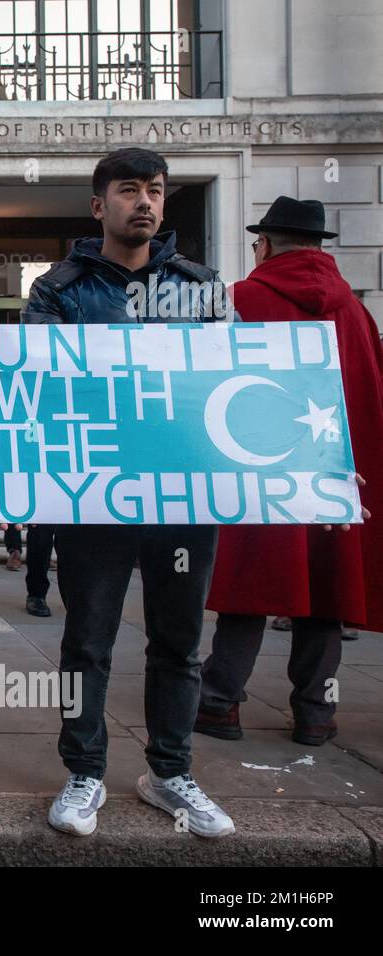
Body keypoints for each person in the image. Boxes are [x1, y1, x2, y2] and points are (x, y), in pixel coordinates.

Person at [23, 147, 235, 838]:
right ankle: (84, 772)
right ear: (98, 206)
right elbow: (42, 393)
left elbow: (232, 390)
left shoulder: (203, 287)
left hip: (183, 497)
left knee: (180, 644)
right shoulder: (58, 291)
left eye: (155, 190)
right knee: (87, 642)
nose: (144, 201)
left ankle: (170, 773)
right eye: (128, 190)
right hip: (97, 500)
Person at [195, 197, 381, 747]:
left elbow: (206, 388)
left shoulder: (240, 300)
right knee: (327, 593)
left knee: (247, 587)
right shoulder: (355, 312)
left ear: (266, 244)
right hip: (333, 474)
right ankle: (315, 715)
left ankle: (219, 702)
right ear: (319, 248)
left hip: (258, 471)